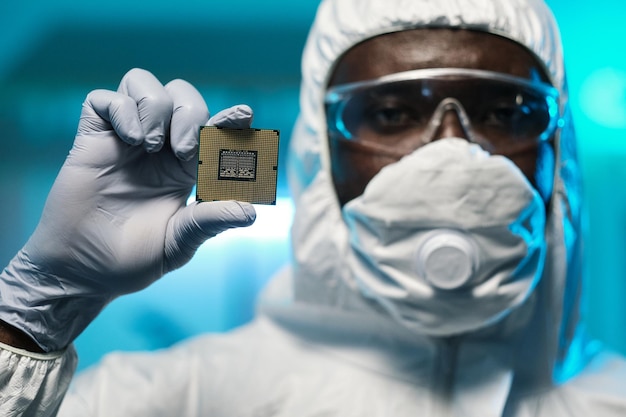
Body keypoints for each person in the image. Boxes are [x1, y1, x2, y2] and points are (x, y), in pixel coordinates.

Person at [1, 0, 626, 415]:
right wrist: (39, 309)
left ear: (557, 150)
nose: (452, 154)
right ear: (317, 152)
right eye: (389, 113)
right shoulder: (177, 398)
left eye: (504, 112)